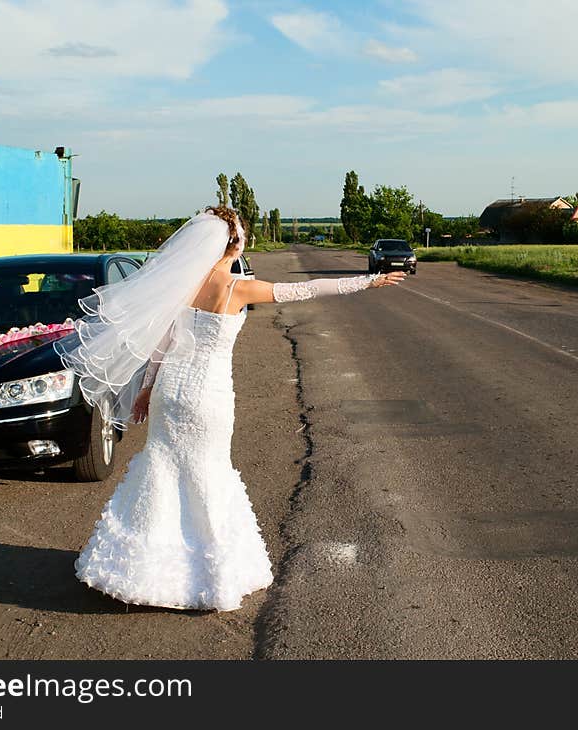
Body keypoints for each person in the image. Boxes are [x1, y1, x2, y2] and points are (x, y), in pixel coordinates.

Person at [56, 206, 405, 611]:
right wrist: (368, 282)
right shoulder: (236, 287)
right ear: (233, 245)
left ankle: (141, 568)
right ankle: (208, 573)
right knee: (207, 472)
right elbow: (305, 290)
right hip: (208, 394)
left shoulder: (182, 285)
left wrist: (146, 391)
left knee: (162, 468)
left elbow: (161, 345)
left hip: (171, 391)